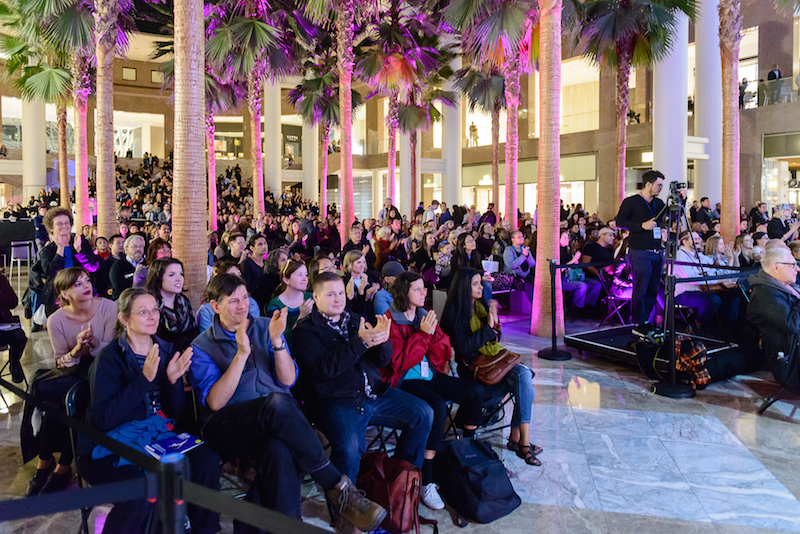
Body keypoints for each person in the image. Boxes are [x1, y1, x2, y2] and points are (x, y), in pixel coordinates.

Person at [189, 275, 387, 532]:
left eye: (246, 298)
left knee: (279, 452)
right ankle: (336, 486)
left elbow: (289, 379)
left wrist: (277, 342)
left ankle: (258, 526)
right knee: (277, 403)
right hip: (228, 425)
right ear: (215, 306)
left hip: (276, 423)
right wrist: (240, 355)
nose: (243, 306)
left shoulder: (265, 326)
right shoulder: (203, 345)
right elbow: (215, 402)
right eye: (233, 301)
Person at [81, 288, 220, 534]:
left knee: (205, 459)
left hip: (158, 435)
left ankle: (204, 529)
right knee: (145, 484)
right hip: (113, 443)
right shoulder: (109, 359)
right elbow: (103, 420)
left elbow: (173, 413)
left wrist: (173, 381)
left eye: (155, 310)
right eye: (143, 312)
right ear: (125, 319)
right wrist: (143, 381)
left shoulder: (164, 349)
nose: (153, 316)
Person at [293, 272, 434, 484]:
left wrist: (383, 341)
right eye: (331, 294)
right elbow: (324, 368)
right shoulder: (306, 331)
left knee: (424, 413)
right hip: (338, 401)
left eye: (341, 292)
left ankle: (402, 481)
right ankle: (345, 504)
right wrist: (361, 342)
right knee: (350, 448)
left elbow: (383, 360)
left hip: (374, 392)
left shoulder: (355, 320)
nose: (339, 298)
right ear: (315, 297)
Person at [382, 272, 484, 509]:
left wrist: (431, 337)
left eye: (424, 288)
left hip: (429, 375)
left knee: (474, 392)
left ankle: (467, 450)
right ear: (403, 292)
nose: (424, 292)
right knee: (436, 405)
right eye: (417, 289)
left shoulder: (422, 316)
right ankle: (427, 479)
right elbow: (399, 363)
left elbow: (443, 348)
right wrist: (423, 335)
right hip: (403, 381)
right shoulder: (391, 319)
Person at [25, 268, 117, 496]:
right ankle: (44, 465)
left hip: (104, 370)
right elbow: (61, 361)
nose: (86, 286)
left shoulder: (108, 307)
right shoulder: (56, 319)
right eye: (77, 284)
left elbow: (111, 351)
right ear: (64, 294)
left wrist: (93, 342)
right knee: (57, 408)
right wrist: (76, 349)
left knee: (74, 407)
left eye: (87, 280)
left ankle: (62, 468)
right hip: (73, 371)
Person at [440, 268, 540, 466]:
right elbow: (464, 347)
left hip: (493, 362)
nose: (481, 287)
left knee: (523, 376)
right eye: (476, 284)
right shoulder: (455, 312)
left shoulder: (479, 305)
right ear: (463, 287)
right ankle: (519, 442)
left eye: (480, 282)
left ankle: (521, 440)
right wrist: (488, 327)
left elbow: (494, 338)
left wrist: (494, 325)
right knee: (523, 378)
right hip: (474, 370)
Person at [615, 170, 667, 334]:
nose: (660, 189)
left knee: (652, 288)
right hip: (640, 251)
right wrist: (640, 226)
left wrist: (682, 199)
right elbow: (619, 222)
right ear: (648, 184)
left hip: (656, 251)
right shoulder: (631, 202)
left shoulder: (658, 204)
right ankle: (638, 322)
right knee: (641, 288)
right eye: (658, 185)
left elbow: (671, 216)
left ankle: (647, 320)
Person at [28, 207, 100, 321]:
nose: (64, 226)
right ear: (51, 228)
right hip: (58, 297)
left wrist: (79, 252)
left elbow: (93, 267)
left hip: (83, 294)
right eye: (59, 223)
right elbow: (51, 272)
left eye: (66, 222)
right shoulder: (47, 250)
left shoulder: (80, 242)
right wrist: (60, 249)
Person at [746, 247, 800, 392]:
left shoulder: (784, 286)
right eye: (792, 265)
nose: (797, 269)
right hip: (791, 364)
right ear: (776, 267)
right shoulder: (766, 294)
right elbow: (792, 324)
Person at [144, 258, 199, 352]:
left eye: (181, 274)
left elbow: (193, 333)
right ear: (158, 277)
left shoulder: (183, 301)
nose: (179, 279)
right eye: (171, 275)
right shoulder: (149, 305)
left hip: (188, 354)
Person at [265, 260, 313, 347]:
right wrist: (301, 317)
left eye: (306, 274)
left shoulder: (311, 297)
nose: (305, 279)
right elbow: (283, 339)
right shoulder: (275, 305)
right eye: (299, 275)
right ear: (286, 280)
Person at [559, 229, 602, 309]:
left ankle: (588, 306)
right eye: (565, 238)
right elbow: (559, 270)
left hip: (574, 276)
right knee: (582, 286)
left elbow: (574, 266)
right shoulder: (556, 252)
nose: (567, 240)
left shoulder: (568, 251)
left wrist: (576, 262)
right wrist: (573, 260)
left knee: (596, 284)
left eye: (568, 237)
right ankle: (577, 308)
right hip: (562, 279)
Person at [0, 271, 26, 383]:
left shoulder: (1, 280)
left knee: (19, 336)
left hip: (4, 323)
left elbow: (13, 302)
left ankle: (14, 362)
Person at [109, 235, 145, 300]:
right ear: (126, 249)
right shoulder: (118, 265)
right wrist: (136, 274)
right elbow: (119, 286)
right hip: (124, 300)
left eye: (140, 246)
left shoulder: (148, 263)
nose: (138, 249)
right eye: (134, 246)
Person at [241, 234, 269, 310]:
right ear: (252, 248)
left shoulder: (267, 263)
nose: (264, 246)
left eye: (265, 243)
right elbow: (245, 285)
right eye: (260, 244)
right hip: (252, 302)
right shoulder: (247, 264)